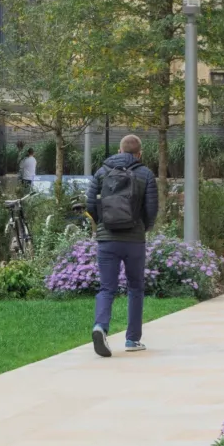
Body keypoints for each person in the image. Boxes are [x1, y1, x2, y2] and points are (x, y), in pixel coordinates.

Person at [87, 134, 158, 357]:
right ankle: (132, 339)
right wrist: (142, 228)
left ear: (119, 151)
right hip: (134, 240)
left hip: (107, 239)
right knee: (135, 287)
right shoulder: (145, 174)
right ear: (139, 153)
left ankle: (100, 327)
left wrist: (102, 225)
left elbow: (90, 203)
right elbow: (151, 209)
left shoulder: (101, 172)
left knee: (107, 288)